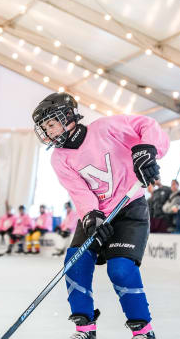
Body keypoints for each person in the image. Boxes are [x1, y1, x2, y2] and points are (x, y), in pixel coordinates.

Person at [32, 92, 169, 338]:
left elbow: (146, 125)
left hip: (130, 209)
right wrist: (92, 218)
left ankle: (142, 330)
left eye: (50, 124)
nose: (48, 132)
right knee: (74, 263)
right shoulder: (59, 158)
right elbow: (79, 192)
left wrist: (147, 149)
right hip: (96, 216)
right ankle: (84, 329)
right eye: (44, 128)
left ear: (67, 116)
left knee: (121, 270)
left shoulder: (105, 127)